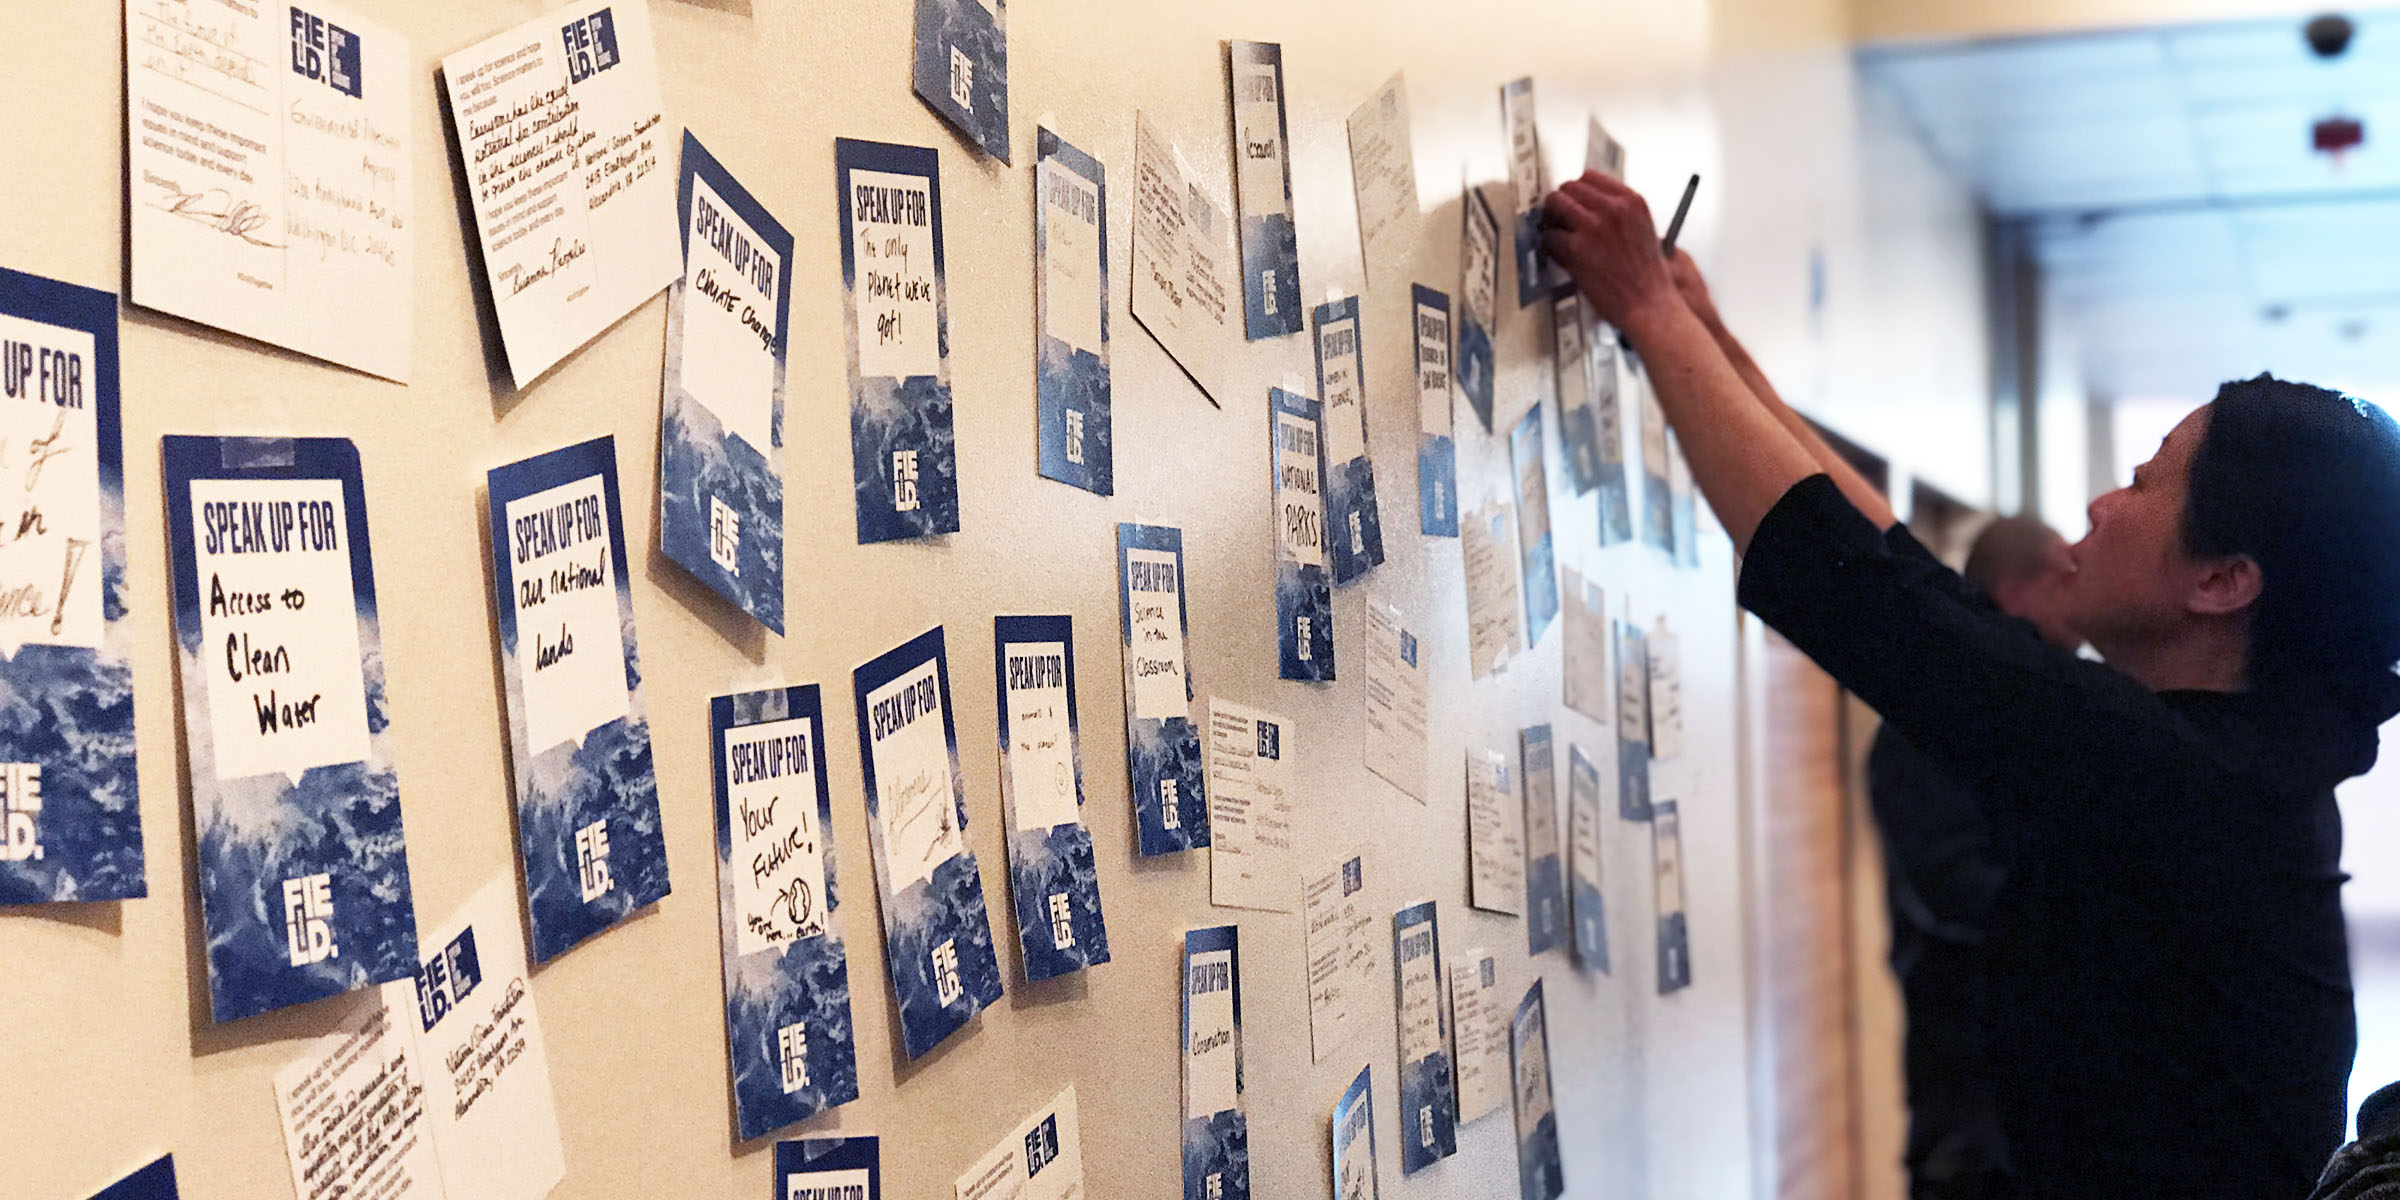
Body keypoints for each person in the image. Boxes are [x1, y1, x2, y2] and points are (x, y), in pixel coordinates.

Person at [1543, 172, 2400, 1198]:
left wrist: (1645, 308)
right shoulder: (2233, 758)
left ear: (2222, 583)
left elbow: (1872, 602)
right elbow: (1918, 590)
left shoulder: (2197, 785)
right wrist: (1696, 335)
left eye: (2140, 480)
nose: (2099, 500)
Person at [1863, 515, 2076, 1200]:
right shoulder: (1932, 721)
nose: (2080, 593)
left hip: (2044, 1073)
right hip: (1970, 1084)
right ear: (2017, 590)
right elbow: (1954, 885)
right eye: (2064, 577)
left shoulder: (2054, 707)